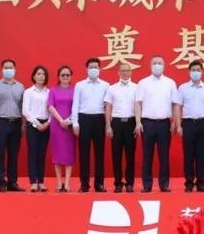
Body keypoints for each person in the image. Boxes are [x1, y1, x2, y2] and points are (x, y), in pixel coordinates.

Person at [173, 60, 204, 193]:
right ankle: (189, 183)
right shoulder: (183, 88)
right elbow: (178, 107)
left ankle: (201, 183)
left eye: (198, 70)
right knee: (188, 155)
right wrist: (178, 126)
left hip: (202, 123)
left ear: (202, 72)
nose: (196, 72)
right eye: (193, 70)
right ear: (189, 72)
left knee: (202, 155)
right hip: (188, 123)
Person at [136, 56, 176, 193]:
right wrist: (138, 122)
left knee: (164, 156)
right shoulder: (143, 83)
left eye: (160, 63)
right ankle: (147, 185)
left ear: (164, 66)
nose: (157, 65)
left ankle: (164, 184)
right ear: (150, 65)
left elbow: (175, 104)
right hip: (147, 123)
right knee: (147, 155)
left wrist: (174, 122)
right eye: (155, 63)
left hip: (164, 124)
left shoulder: (170, 83)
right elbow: (138, 103)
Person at [71, 57, 109, 193]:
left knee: (99, 153)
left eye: (96, 67)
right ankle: (84, 184)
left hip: (99, 119)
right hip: (84, 119)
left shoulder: (105, 85)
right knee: (84, 153)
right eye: (91, 67)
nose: (93, 69)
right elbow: (75, 104)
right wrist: (75, 123)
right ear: (86, 69)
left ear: (100, 69)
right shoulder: (80, 85)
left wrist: (107, 124)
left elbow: (107, 106)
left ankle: (99, 184)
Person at [0, 59, 25, 192]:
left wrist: (23, 124)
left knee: (13, 154)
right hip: (1, 122)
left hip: (16, 122)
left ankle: (12, 182)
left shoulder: (20, 86)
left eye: (11, 67)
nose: (8, 70)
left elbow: (23, 107)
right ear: (2, 69)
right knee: (0, 153)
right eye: (6, 67)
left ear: (15, 69)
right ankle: (1, 182)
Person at [105, 62, 138, 193]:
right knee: (116, 154)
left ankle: (129, 183)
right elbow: (108, 107)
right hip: (116, 123)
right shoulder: (112, 88)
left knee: (130, 155)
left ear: (131, 72)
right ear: (118, 73)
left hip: (131, 122)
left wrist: (138, 123)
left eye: (127, 70)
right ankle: (118, 183)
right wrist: (108, 125)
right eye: (122, 71)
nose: (125, 73)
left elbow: (139, 106)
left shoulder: (137, 88)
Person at [48, 65, 76, 192]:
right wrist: (61, 120)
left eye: (67, 75)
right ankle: (59, 182)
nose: (65, 77)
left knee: (69, 153)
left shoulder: (75, 91)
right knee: (57, 153)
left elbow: (77, 107)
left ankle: (67, 182)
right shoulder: (53, 90)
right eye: (62, 75)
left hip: (69, 126)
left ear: (71, 77)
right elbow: (50, 106)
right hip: (57, 125)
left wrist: (68, 120)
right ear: (59, 77)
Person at [23, 65, 51, 193]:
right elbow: (25, 110)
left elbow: (52, 109)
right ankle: (33, 182)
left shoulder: (49, 92)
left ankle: (41, 181)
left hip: (46, 125)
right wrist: (37, 123)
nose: (41, 76)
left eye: (43, 74)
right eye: (38, 74)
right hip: (33, 125)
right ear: (34, 76)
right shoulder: (29, 92)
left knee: (42, 153)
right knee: (33, 153)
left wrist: (47, 123)